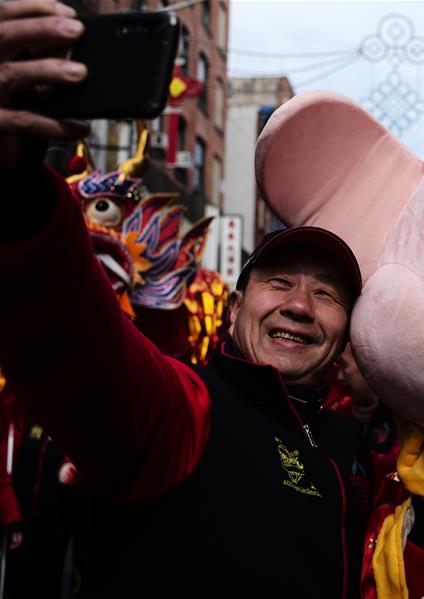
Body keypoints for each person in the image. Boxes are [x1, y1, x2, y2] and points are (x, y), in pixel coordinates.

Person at [0, 2, 368, 596]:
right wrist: (17, 193)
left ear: (348, 328)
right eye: (278, 282)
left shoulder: (351, 445)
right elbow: (76, 344)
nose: (300, 305)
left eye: (326, 293)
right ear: (233, 304)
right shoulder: (182, 410)